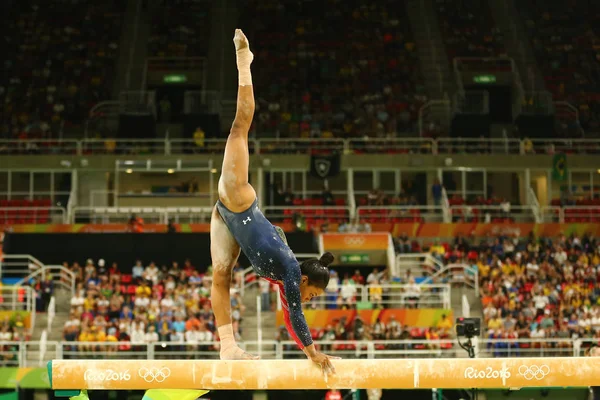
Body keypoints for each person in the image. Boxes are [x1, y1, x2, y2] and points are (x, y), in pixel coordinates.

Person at [210, 29, 338, 374]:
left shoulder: (287, 279)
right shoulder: (292, 272)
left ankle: (228, 347)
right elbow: (296, 314)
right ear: (307, 282)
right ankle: (244, 61)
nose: (309, 300)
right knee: (240, 127)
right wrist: (314, 354)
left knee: (221, 278)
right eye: (313, 294)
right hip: (238, 202)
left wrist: (308, 352)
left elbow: (288, 313)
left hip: (226, 218)